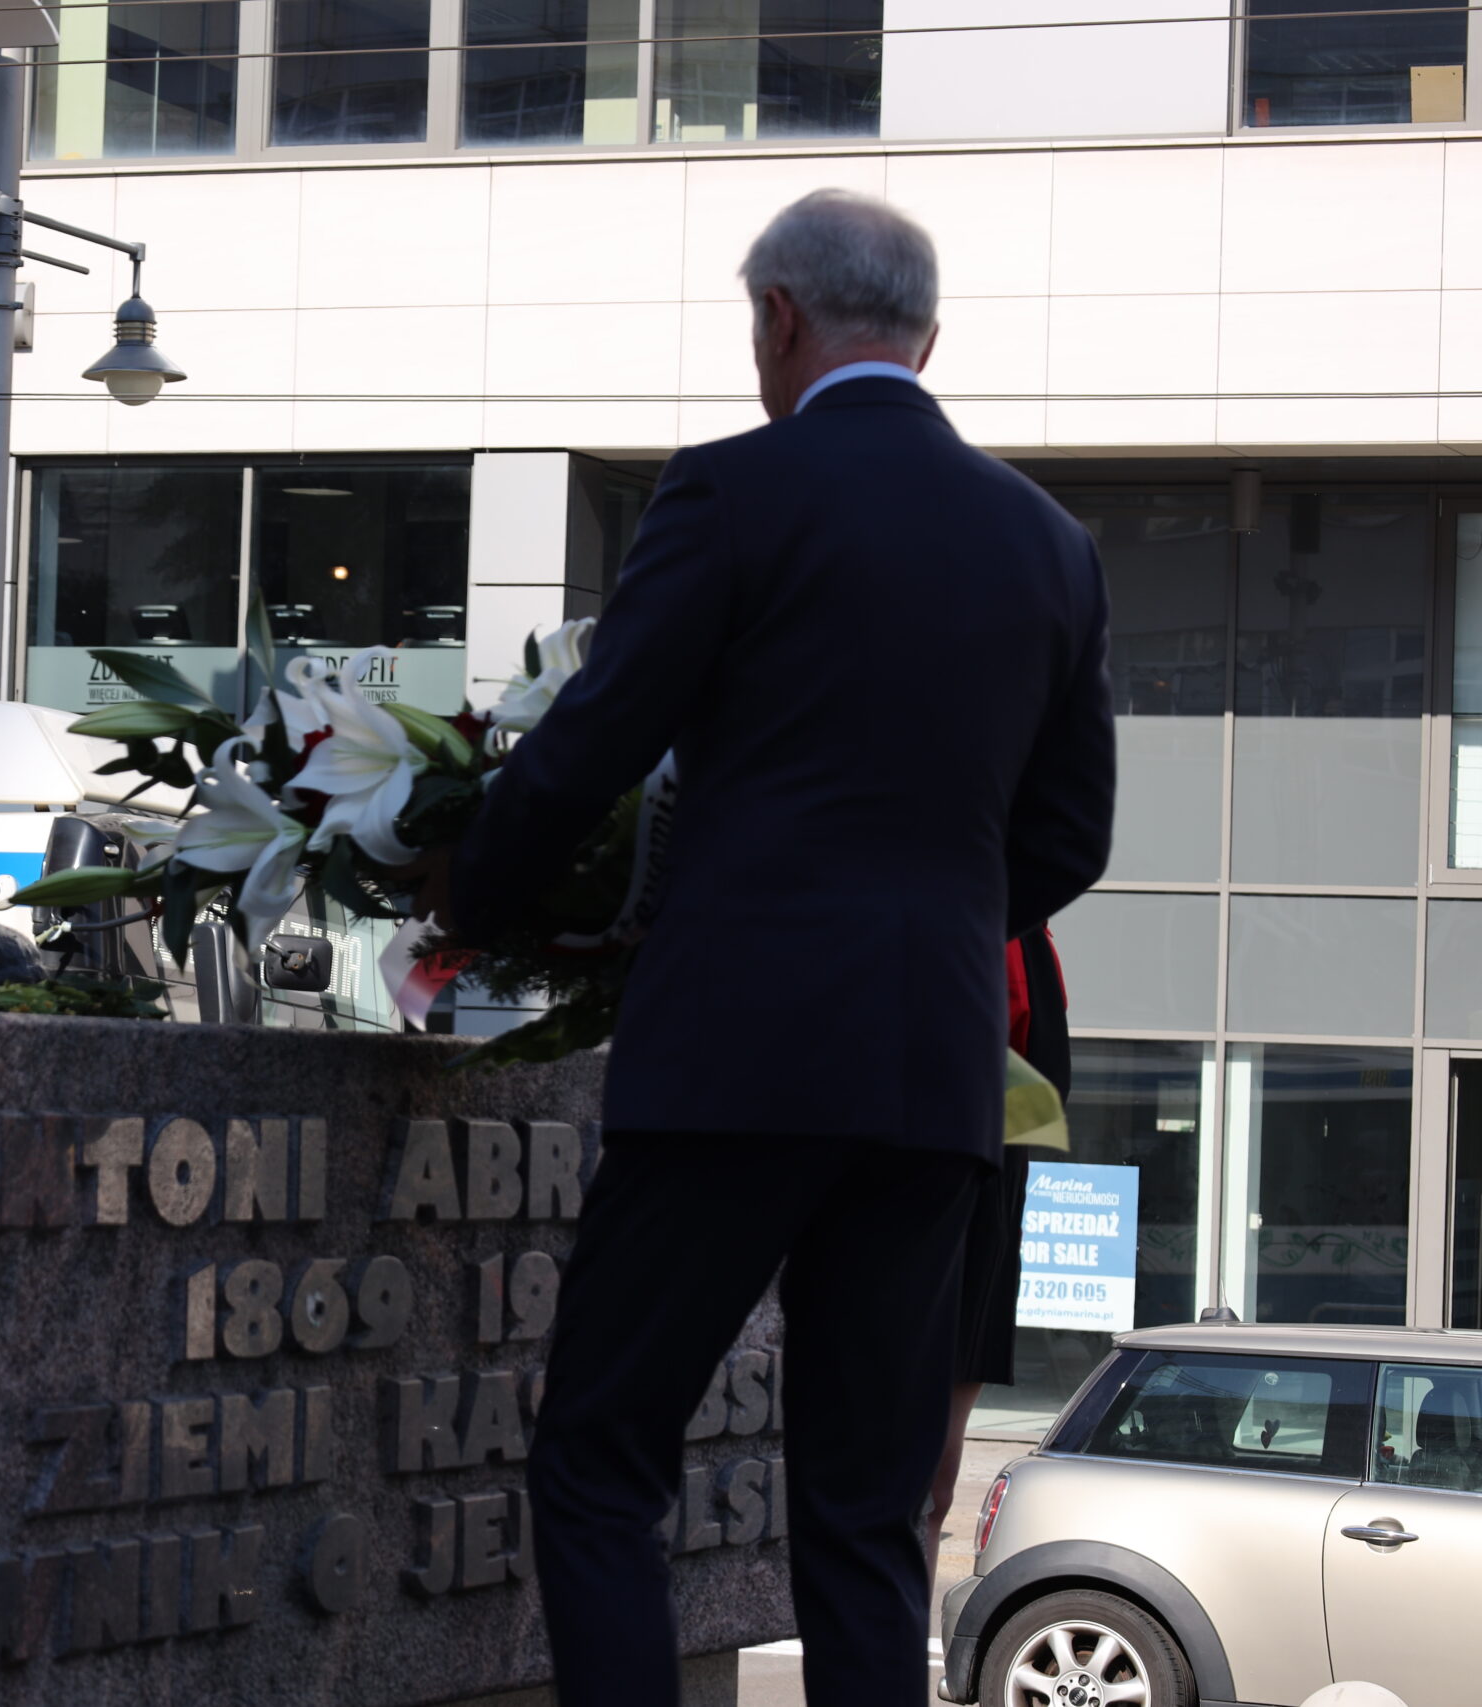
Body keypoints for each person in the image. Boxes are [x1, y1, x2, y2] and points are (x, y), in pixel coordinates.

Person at [450, 189, 1114, 1707]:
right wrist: (927, 926)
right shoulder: (1050, 544)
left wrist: (471, 905)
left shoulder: (733, 491)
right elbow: (1071, 838)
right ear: (927, 339)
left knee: (603, 1455)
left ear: (779, 318)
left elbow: (593, 741)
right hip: (931, 1079)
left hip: (732, 1058)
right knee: (868, 1515)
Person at [925, 923, 1071, 1581]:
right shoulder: (1022, 926)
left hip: (948, 1152)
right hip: (988, 1152)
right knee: (929, 1477)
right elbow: (1046, 1078)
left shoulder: (1004, 925)